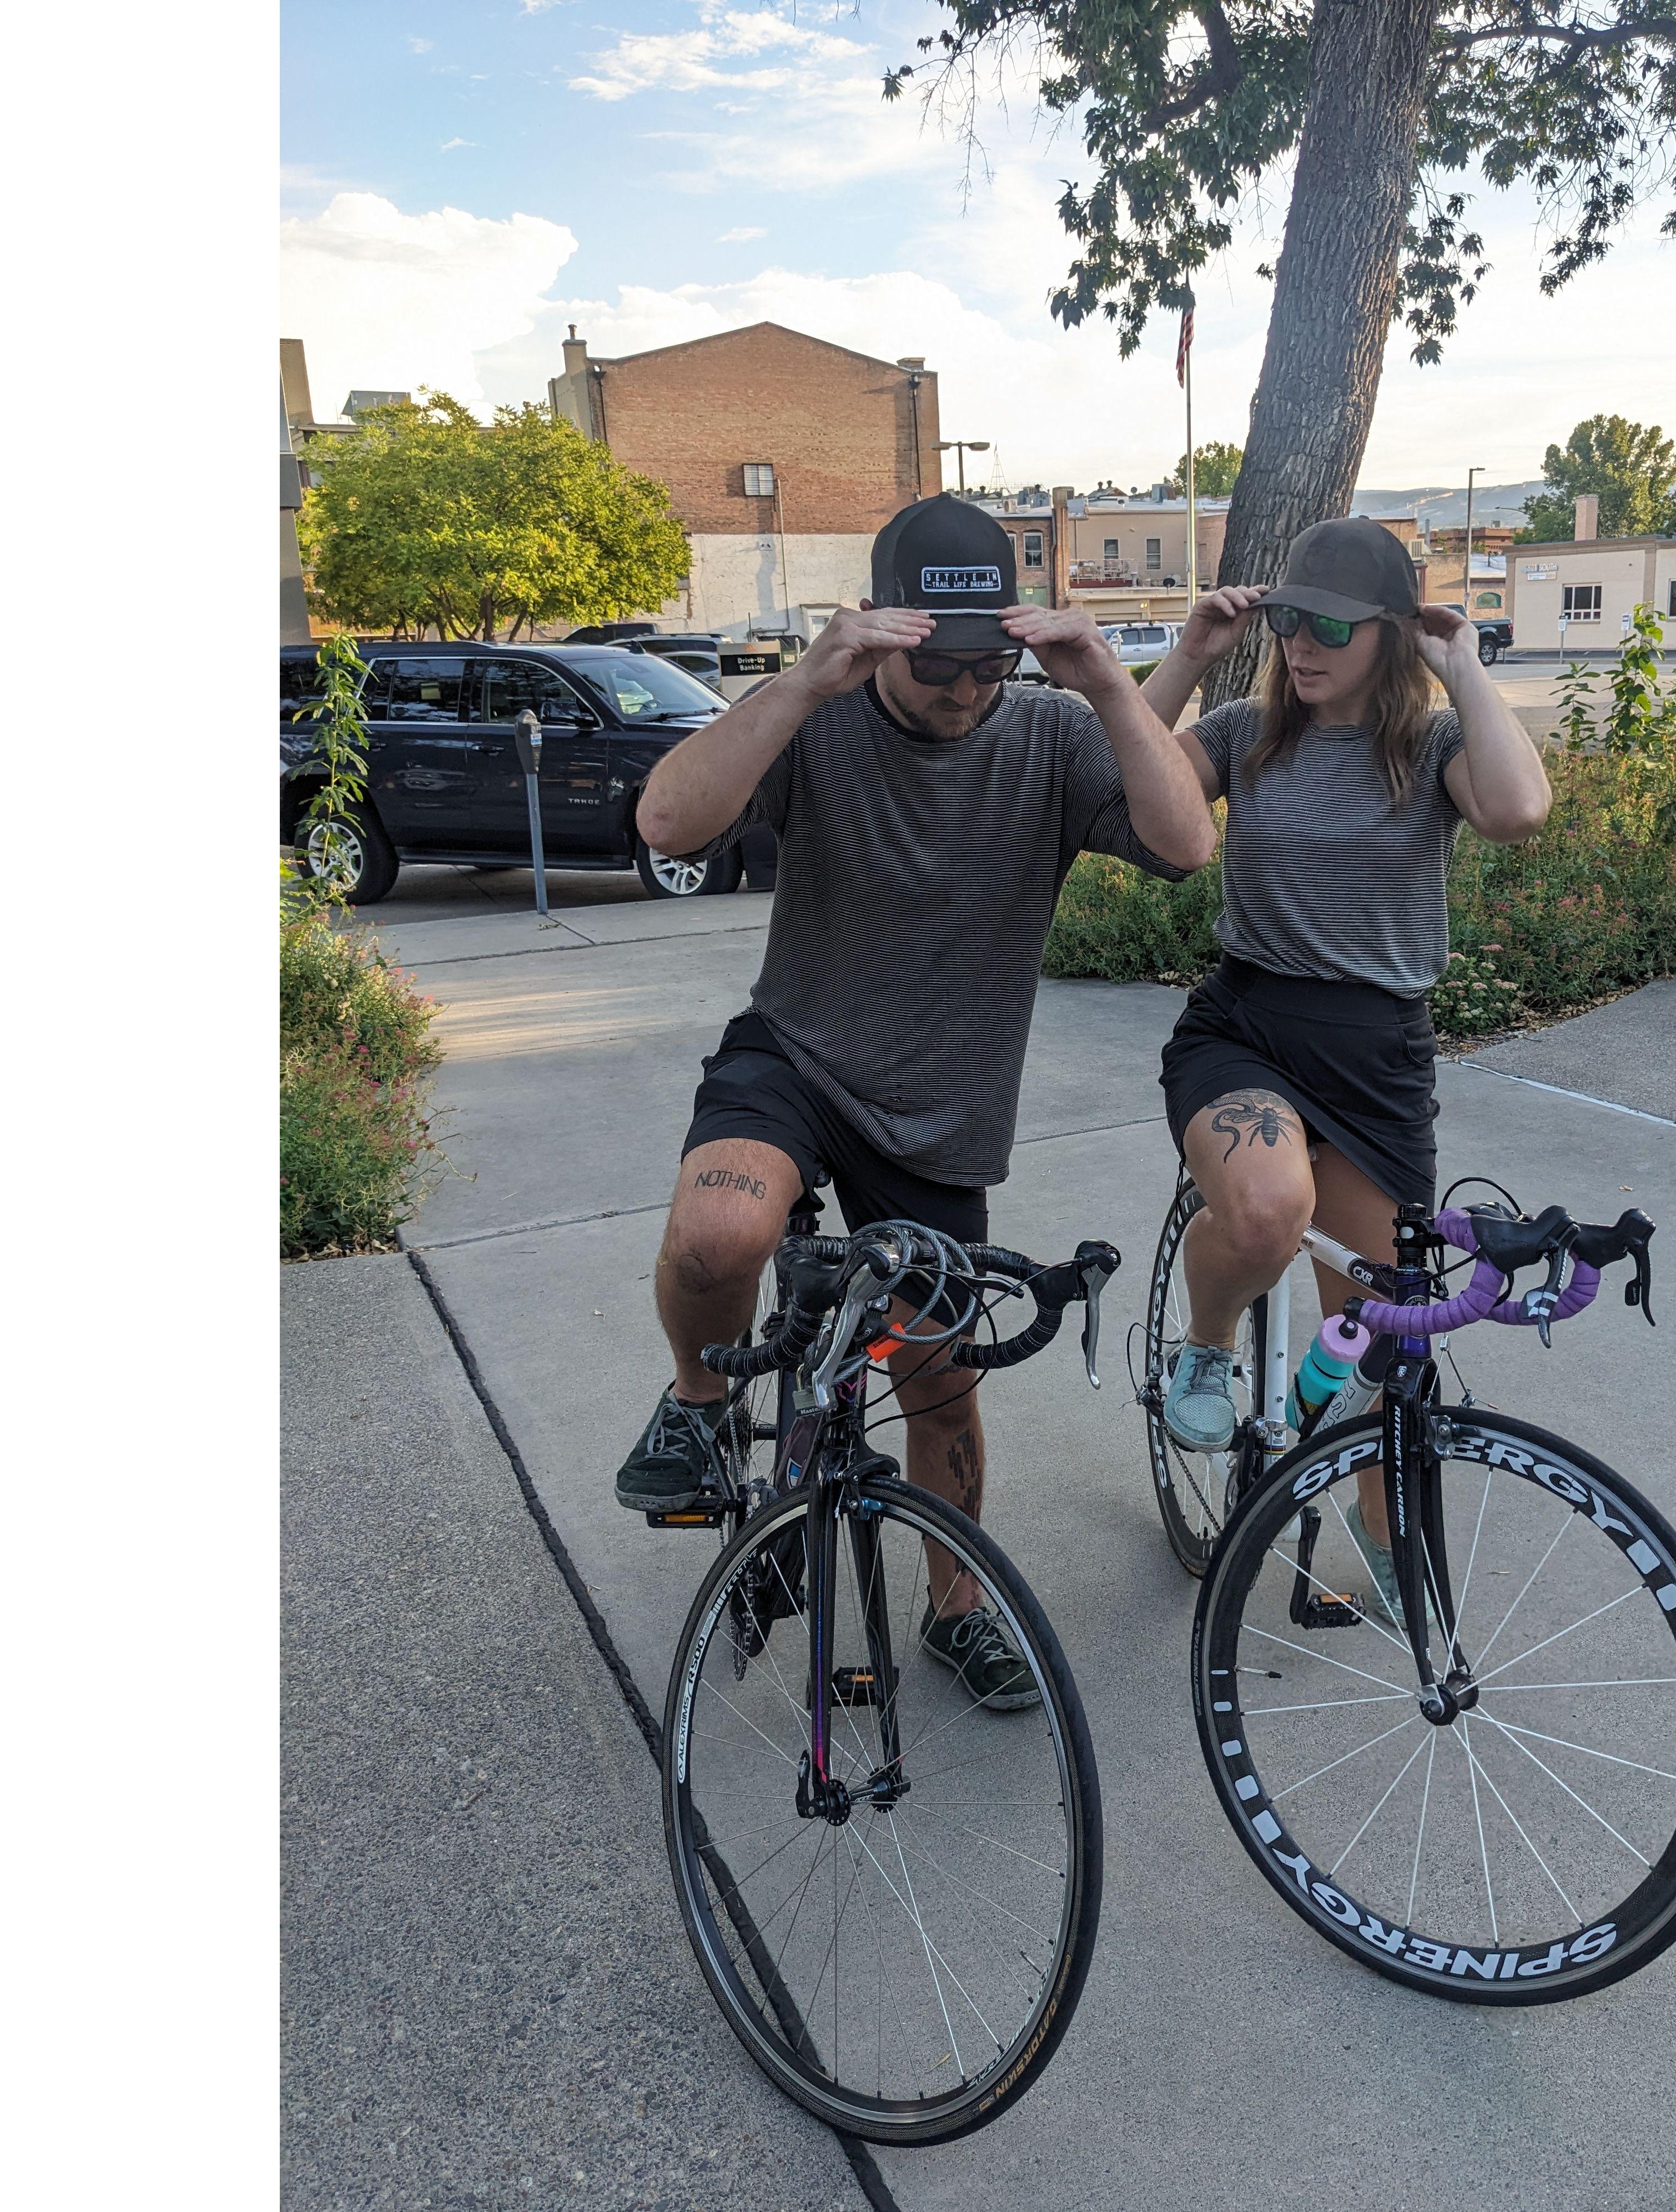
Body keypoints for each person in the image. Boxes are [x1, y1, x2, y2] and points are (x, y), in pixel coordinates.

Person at [616, 492, 1216, 1708]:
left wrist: (1105, 681)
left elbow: (1185, 844)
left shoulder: (1047, 734)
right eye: (939, 666)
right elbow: (669, 820)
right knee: (722, 1231)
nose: (964, 690)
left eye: (986, 662)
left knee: (940, 1376)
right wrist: (796, 684)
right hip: (795, 1055)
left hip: (943, 1102)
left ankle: (957, 1604)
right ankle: (698, 1406)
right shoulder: (819, 719)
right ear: (887, 633)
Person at [1139, 515, 1551, 1620]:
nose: (1303, 645)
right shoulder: (1243, 733)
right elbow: (1117, 771)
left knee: (1381, 1339)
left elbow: (1517, 808)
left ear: (1390, 632)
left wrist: (1463, 667)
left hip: (1377, 1057)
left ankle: (1374, 1520)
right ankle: (1208, 1348)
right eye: (1287, 622)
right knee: (1270, 1213)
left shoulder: (1428, 749)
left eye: (1331, 624)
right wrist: (1188, 652)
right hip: (1249, 1028)